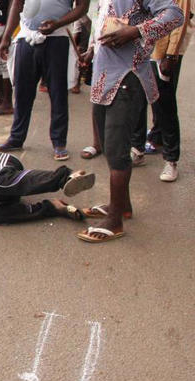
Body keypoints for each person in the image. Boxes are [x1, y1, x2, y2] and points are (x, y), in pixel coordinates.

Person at [76, 0, 182, 243]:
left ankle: (115, 221)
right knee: (108, 146)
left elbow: (175, 15)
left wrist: (136, 31)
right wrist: (92, 50)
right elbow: (103, 20)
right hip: (104, 75)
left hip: (127, 77)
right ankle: (121, 205)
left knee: (116, 150)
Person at [0, 0, 89, 160]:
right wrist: (6, 36)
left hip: (57, 38)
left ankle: (59, 142)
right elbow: (17, 4)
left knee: (58, 93)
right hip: (27, 37)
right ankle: (16, 137)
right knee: (22, 93)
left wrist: (58, 23)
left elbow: (82, 6)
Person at [139, 0, 191, 182]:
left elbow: (182, 18)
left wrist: (171, 55)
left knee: (164, 104)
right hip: (142, 47)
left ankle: (171, 160)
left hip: (164, 52)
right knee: (140, 99)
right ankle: (139, 148)